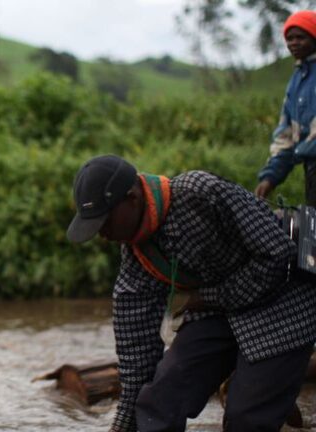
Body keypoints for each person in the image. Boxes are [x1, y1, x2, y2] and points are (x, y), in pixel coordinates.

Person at [67, 155, 316, 432]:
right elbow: (137, 359)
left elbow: (278, 254)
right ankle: (259, 386)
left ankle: (262, 390)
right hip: (220, 310)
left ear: (132, 197)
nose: (102, 234)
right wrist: (123, 426)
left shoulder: (200, 192)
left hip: (284, 300)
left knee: (246, 420)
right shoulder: (137, 263)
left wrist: (212, 297)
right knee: (158, 402)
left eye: (104, 221)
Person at [256, 11, 316, 205]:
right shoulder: (296, 82)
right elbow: (286, 134)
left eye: (301, 37)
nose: (294, 43)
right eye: (289, 39)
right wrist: (270, 177)